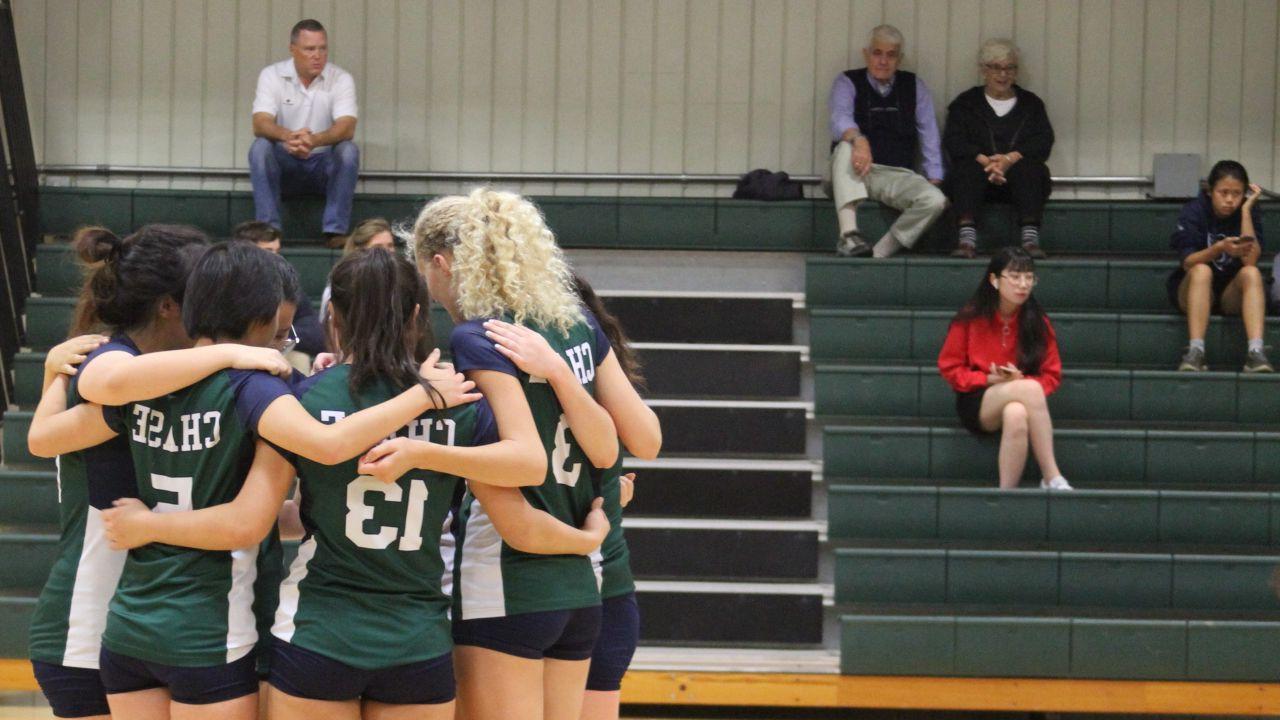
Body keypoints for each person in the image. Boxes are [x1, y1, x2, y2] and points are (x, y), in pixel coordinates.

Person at [96, 249, 611, 720]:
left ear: (334, 321)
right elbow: (528, 465)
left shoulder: (303, 396)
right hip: (416, 637)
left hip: (319, 630)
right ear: (416, 316)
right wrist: (427, 444)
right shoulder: (460, 397)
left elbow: (272, 504)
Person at [34, 242, 477, 720]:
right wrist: (423, 396)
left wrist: (52, 375)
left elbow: (43, 439)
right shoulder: (258, 387)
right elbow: (320, 451)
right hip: (214, 632)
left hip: (132, 626)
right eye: (283, 332)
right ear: (262, 319)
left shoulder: (145, 381)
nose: (283, 343)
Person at [356, 188, 624, 720]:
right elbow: (611, 448)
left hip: (508, 578)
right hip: (578, 585)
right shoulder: (572, 326)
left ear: (441, 263)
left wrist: (420, 452)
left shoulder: (477, 338)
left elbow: (525, 460)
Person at [24, 225, 292, 720]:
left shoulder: (177, 379)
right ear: (171, 305)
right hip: (88, 623)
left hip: (146, 623)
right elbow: (43, 439)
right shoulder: (118, 368)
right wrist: (230, 353)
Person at [483, 273, 660, 720]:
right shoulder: (516, 389)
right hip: (572, 583)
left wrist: (563, 373)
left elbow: (648, 440)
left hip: (586, 583)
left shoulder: (586, 382)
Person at [938, 247, 1070, 491]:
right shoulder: (970, 318)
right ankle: (1051, 475)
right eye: (1015, 277)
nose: (1023, 285)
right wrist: (989, 379)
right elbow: (950, 368)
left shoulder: (1038, 322)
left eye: (1029, 277)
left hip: (1020, 395)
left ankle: (1006, 492)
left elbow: (1051, 375)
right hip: (977, 399)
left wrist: (1018, 382)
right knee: (1028, 389)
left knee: (1017, 412)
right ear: (994, 280)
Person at [827, 24, 947, 258]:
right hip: (851, 171)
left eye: (891, 55)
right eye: (877, 53)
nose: (883, 61)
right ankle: (849, 236)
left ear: (899, 59)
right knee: (845, 145)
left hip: (894, 174)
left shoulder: (915, 86)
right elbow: (839, 119)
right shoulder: (847, 81)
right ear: (866, 54)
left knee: (935, 201)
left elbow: (929, 132)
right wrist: (859, 140)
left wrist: (935, 176)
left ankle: (880, 252)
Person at [249, 19, 359, 244]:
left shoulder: (341, 78)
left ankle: (335, 231)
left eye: (322, 48)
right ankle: (269, 230)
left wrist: (314, 140)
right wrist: (289, 137)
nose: (317, 55)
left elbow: (347, 126)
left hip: (322, 167)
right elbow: (260, 123)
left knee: (348, 150)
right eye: (310, 49)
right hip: (285, 162)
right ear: (293, 50)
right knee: (260, 148)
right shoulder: (272, 75)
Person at [943, 38, 1054, 259]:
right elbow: (954, 141)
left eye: (1009, 68)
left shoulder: (1031, 104)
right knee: (964, 170)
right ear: (984, 70)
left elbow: (1043, 140)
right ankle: (966, 240)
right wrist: (987, 162)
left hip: (1019, 179)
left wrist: (1010, 159)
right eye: (996, 68)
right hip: (978, 175)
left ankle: (1030, 240)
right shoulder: (965, 104)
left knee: (1032, 169)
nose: (1003, 74)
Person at [1168, 160, 1271, 372]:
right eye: (1223, 192)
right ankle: (1195, 351)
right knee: (1202, 270)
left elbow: (1250, 260)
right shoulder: (1194, 210)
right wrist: (1218, 249)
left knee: (1251, 273)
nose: (1230, 200)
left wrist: (1245, 211)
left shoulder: (1248, 210)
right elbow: (1188, 262)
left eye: (1237, 193)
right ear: (1210, 191)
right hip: (1193, 287)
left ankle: (1255, 353)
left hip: (1228, 293)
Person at [232, 221, 325, 358]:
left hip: (276, 354)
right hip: (231, 356)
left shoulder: (286, 286)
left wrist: (276, 335)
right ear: (245, 253)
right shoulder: (228, 286)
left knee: (298, 357)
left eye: (278, 251)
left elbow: (315, 336)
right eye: (269, 252)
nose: (277, 258)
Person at [318, 217, 397, 334]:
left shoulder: (403, 282)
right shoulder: (338, 288)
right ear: (359, 251)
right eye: (378, 248)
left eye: (390, 246)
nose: (387, 252)